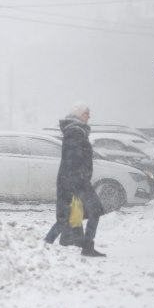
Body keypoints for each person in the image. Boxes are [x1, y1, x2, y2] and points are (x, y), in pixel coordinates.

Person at [43, 102, 106, 257]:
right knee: (94, 211)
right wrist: (80, 178)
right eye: (86, 113)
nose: (89, 116)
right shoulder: (75, 132)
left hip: (70, 180)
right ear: (79, 115)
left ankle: (46, 243)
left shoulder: (75, 131)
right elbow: (73, 159)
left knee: (64, 217)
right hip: (76, 181)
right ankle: (87, 247)